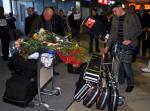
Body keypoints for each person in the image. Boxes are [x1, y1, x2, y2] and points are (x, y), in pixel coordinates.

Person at [104, 2, 142, 92]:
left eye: (115, 11)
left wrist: (130, 40)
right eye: (113, 11)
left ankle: (130, 83)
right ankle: (120, 81)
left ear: (120, 7)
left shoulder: (132, 16)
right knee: (119, 63)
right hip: (118, 44)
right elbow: (112, 32)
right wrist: (107, 46)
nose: (114, 13)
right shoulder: (115, 18)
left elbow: (139, 30)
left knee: (126, 64)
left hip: (129, 45)